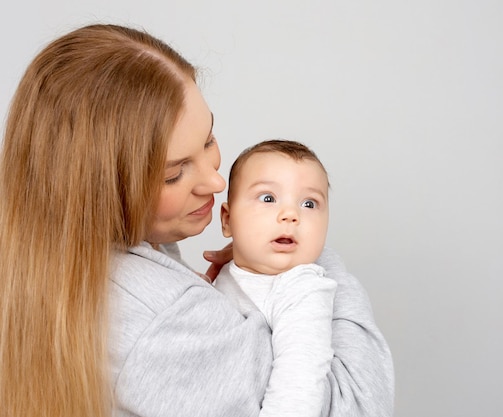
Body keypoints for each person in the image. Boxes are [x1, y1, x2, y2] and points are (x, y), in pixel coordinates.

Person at [0, 23, 394, 417]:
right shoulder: (166, 317)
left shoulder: (50, 265)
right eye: (174, 173)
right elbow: (359, 403)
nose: (215, 180)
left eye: (208, 139)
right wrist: (309, 263)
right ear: (101, 189)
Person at [214, 139, 336, 417]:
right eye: (268, 198)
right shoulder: (227, 273)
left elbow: (299, 380)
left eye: (309, 203)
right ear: (227, 220)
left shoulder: (302, 289)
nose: (291, 215)